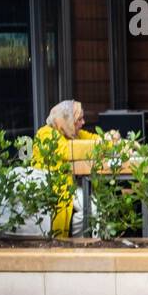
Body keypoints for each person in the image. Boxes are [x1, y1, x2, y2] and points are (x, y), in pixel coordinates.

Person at [32, 100, 99, 238]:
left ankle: (77, 238)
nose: (83, 122)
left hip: (70, 186)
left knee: (95, 203)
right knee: (93, 206)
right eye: (79, 119)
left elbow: (94, 138)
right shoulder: (45, 133)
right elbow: (66, 150)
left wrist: (112, 140)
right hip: (55, 187)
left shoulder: (71, 132)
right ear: (67, 120)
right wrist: (100, 145)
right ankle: (78, 241)